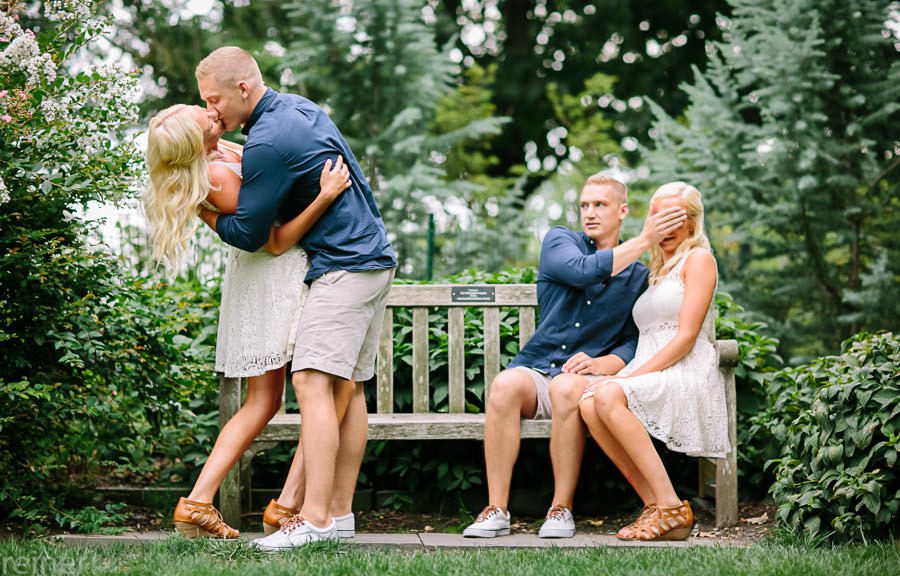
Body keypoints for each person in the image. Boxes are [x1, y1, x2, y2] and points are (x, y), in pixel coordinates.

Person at [194, 46, 397, 551]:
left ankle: (314, 521)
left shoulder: (268, 140)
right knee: (347, 389)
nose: (211, 109)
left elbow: (250, 233)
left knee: (311, 381)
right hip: (373, 258)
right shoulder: (297, 108)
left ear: (242, 88)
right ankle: (340, 514)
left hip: (343, 267)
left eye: (214, 99)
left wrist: (202, 209)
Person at [142, 103, 355, 539]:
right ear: (193, 145)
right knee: (325, 387)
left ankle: (205, 503)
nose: (217, 118)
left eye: (212, 114)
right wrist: (325, 197)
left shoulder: (219, 154)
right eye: (210, 124)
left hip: (269, 278)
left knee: (276, 398)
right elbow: (273, 240)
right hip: (273, 280)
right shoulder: (215, 177)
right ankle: (279, 505)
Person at [463, 174, 687, 539]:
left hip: (582, 381)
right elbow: (584, 272)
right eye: (585, 205)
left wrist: (603, 365)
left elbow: (633, 341)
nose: (590, 213)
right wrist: (645, 239)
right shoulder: (560, 241)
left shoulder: (638, 277)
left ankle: (560, 509)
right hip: (538, 369)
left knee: (567, 387)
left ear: (622, 211)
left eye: (600, 205)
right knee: (505, 384)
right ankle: (496, 510)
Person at [578, 181, 729, 542]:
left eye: (675, 217)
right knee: (588, 401)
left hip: (685, 367)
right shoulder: (657, 270)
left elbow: (687, 337)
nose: (666, 227)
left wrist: (631, 377)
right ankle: (656, 507)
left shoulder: (699, 260)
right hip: (650, 366)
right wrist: (609, 367)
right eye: (658, 218)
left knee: (608, 395)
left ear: (693, 222)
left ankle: (673, 507)